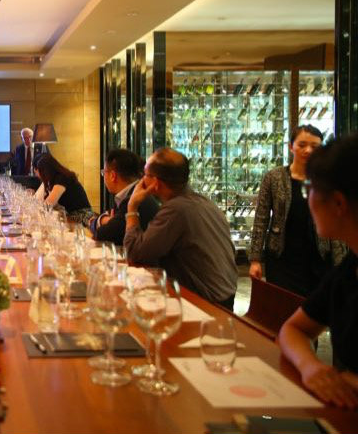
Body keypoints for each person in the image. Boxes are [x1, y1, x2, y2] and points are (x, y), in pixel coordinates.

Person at [278, 133, 358, 409]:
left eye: (309, 189)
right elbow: (293, 329)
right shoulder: (348, 269)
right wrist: (311, 366)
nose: (307, 198)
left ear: (338, 203)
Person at [124, 147, 238, 309]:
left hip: (207, 303)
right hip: (226, 297)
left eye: (145, 174)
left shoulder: (176, 209)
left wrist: (132, 207)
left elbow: (134, 252)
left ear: (155, 183)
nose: (141, 180)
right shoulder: (203, 201)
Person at [249, 125, 345, 296]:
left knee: (317, 306)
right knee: (283, 304)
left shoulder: (327, 179)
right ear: (291, 146)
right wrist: (255, 259)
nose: (308, 150)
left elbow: (337, 223)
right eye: (302, 145)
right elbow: (261, 219)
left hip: (318, 257)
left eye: (314, 146)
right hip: (282, 258)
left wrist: (341, 265)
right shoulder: (274, 177)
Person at [91, 148, 160, 245]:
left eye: (103, 173)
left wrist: (98, 221)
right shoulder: (128, 194)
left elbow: (103, 235)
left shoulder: (134, 198)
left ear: (112, 176)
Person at [35, 154, 94, 224]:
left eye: (40, 172)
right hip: (72, 215)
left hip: (83, 216)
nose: (38, 175)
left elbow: (48, 204)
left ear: (46, 171)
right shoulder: (57, 178)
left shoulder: (62, 178)